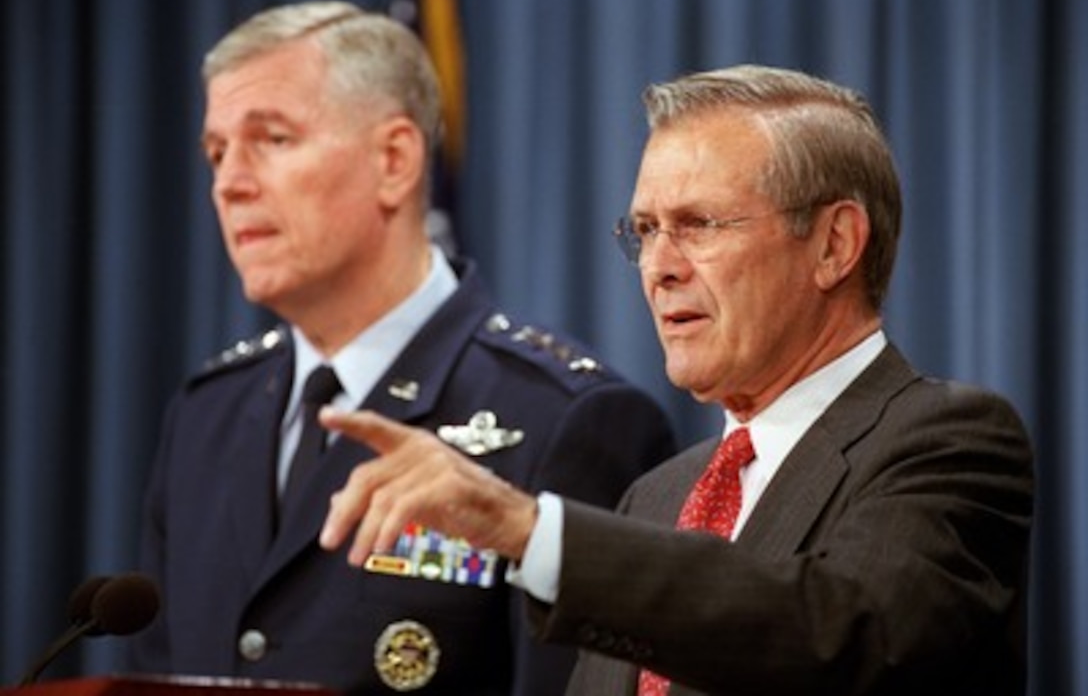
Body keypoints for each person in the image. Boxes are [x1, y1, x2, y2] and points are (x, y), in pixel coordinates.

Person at [318, 64, 1036, 696]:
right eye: (645, 230)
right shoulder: (657, 495)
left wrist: (527, 528)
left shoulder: (948, 443)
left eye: (698, 224)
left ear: (833, 244)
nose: (658, 265)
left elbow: (839, 633)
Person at [126, 0, 677, 696]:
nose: (228, 182)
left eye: (271, 140)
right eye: (216, 151)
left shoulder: (564, 416)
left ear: (394, 160)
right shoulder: (206, 412)